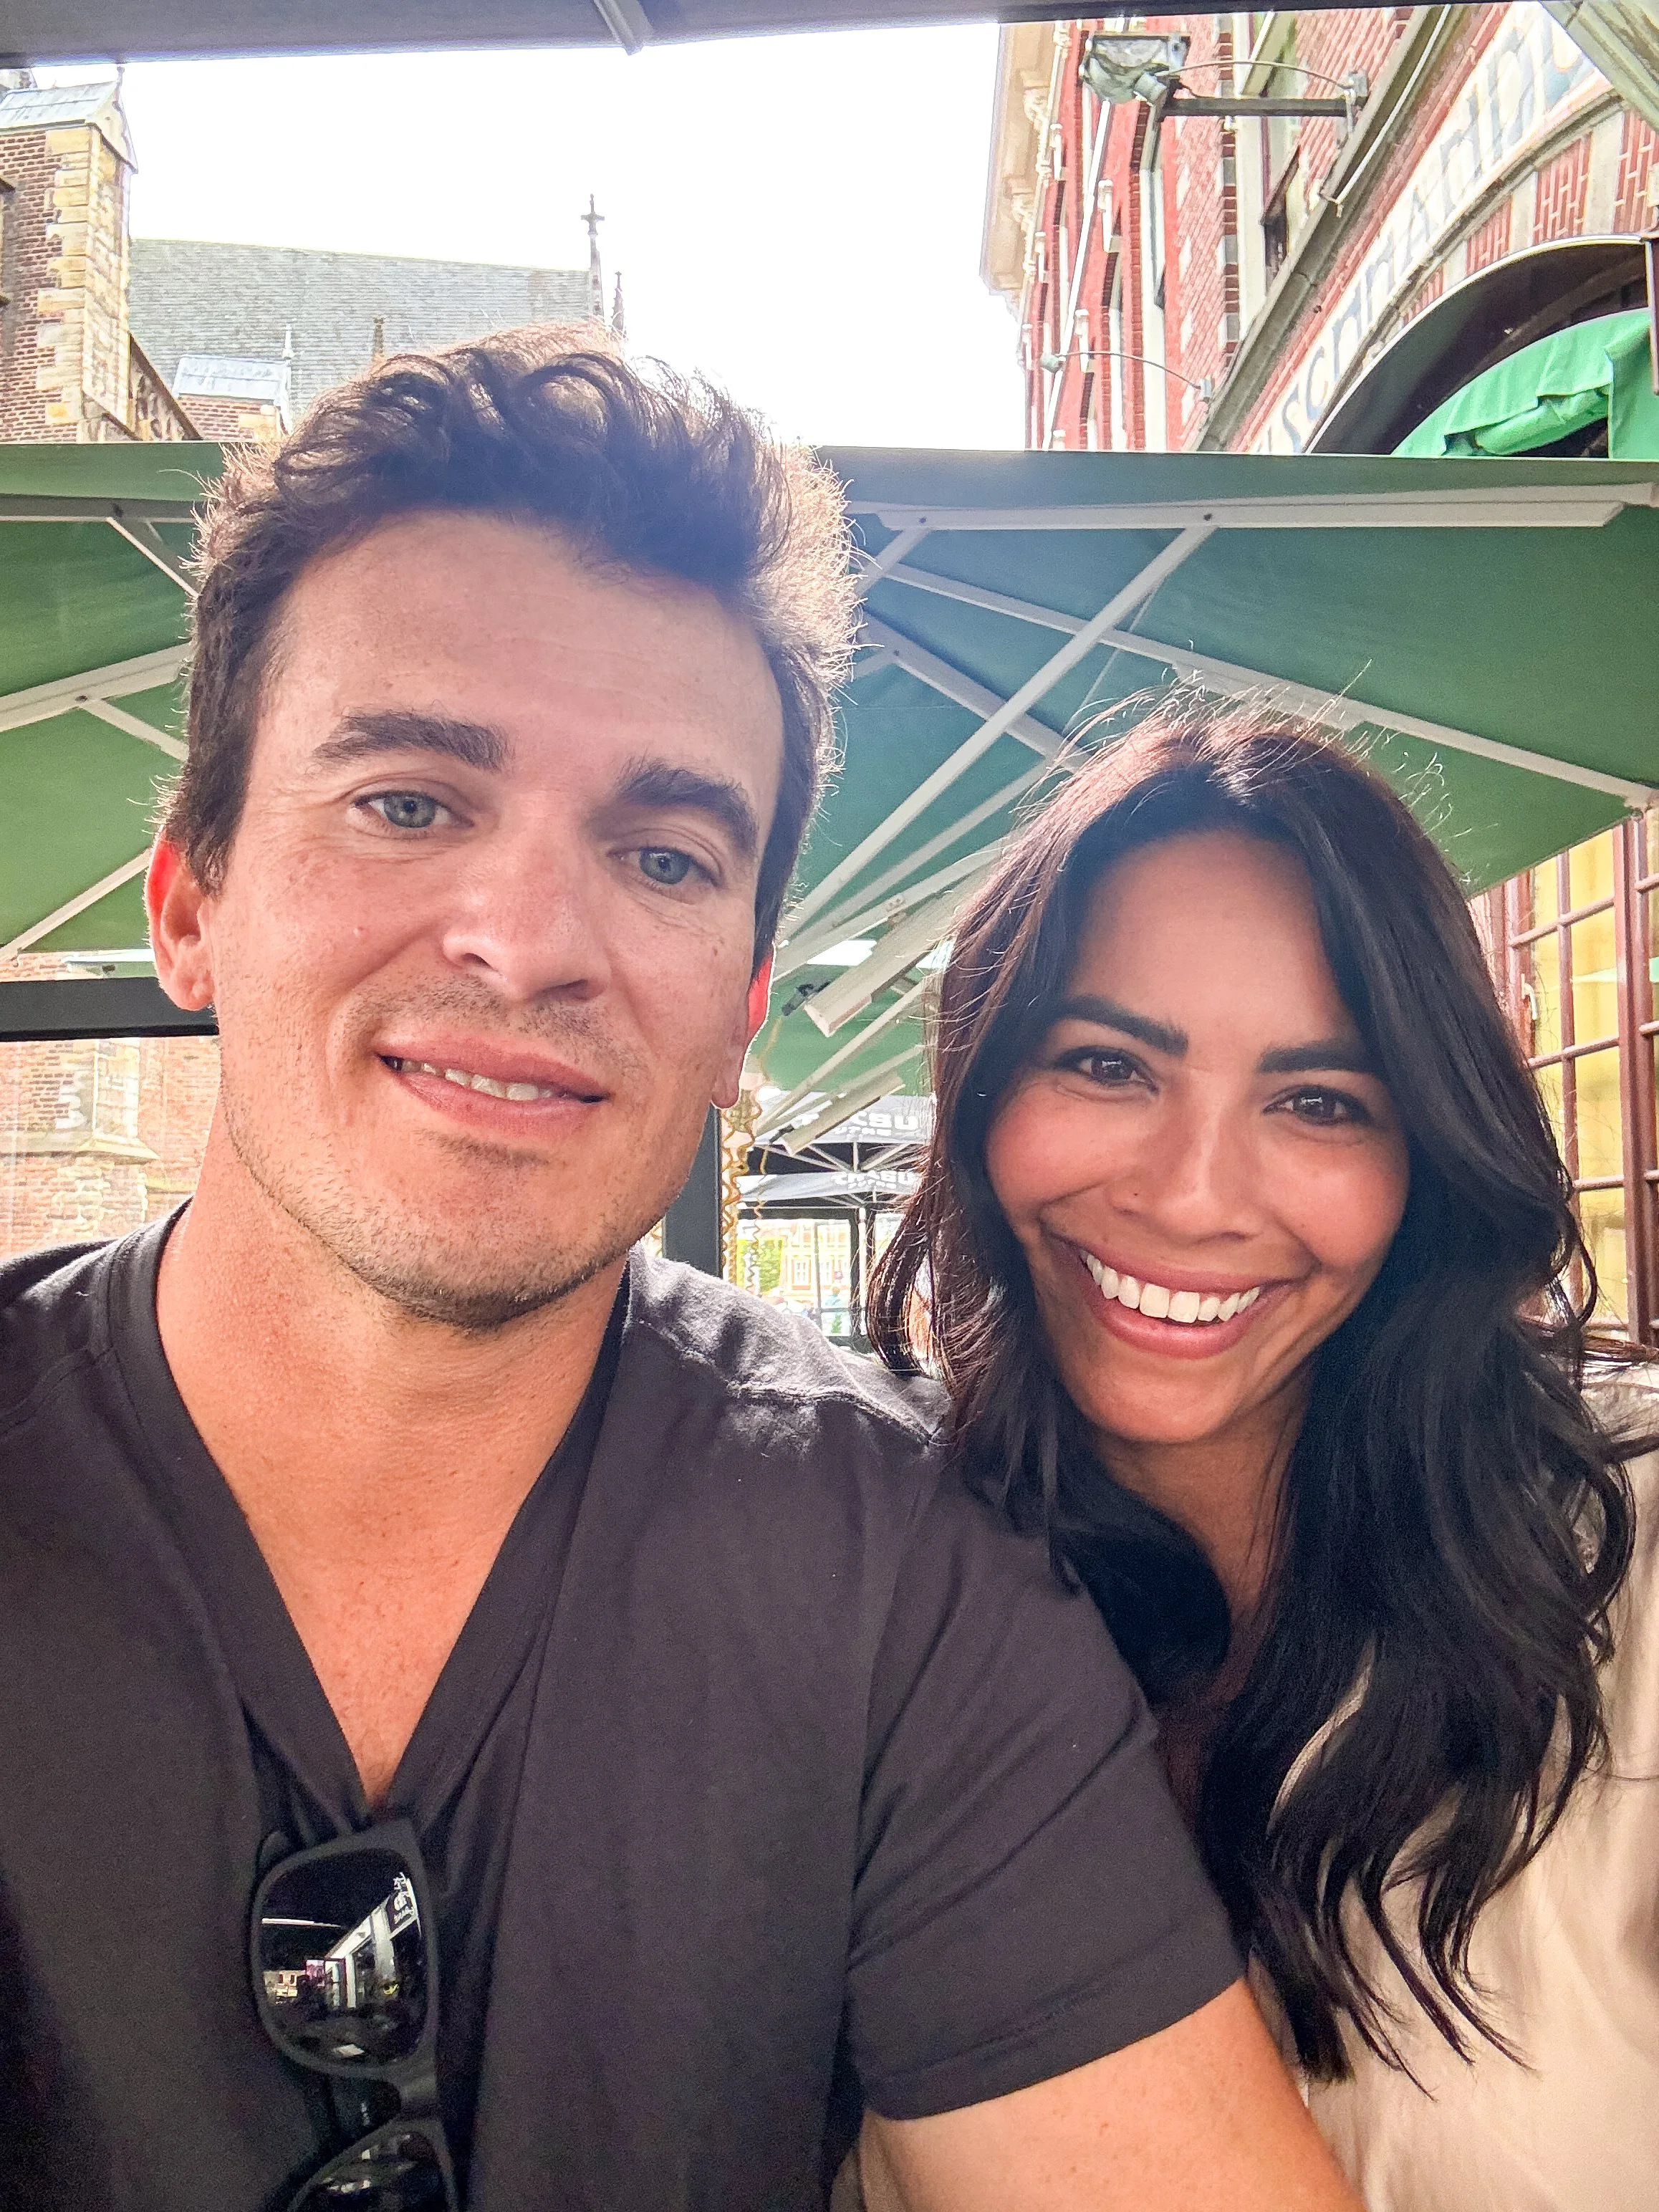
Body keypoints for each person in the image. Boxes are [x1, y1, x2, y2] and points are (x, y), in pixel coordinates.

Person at [0, 333, 1361, 2212]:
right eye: (409, 800)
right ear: (190, 903)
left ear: (739, 1012)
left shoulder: (898, 1573)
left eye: (660, 854)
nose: (528, 939)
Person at [871, 707, 1659, 2211]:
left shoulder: (1636, 1563)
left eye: (1317, 1102)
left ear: (1427, 1156)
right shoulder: (880, 1580)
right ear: (982, 1094)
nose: (1191, 1195)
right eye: (1107, 1063)